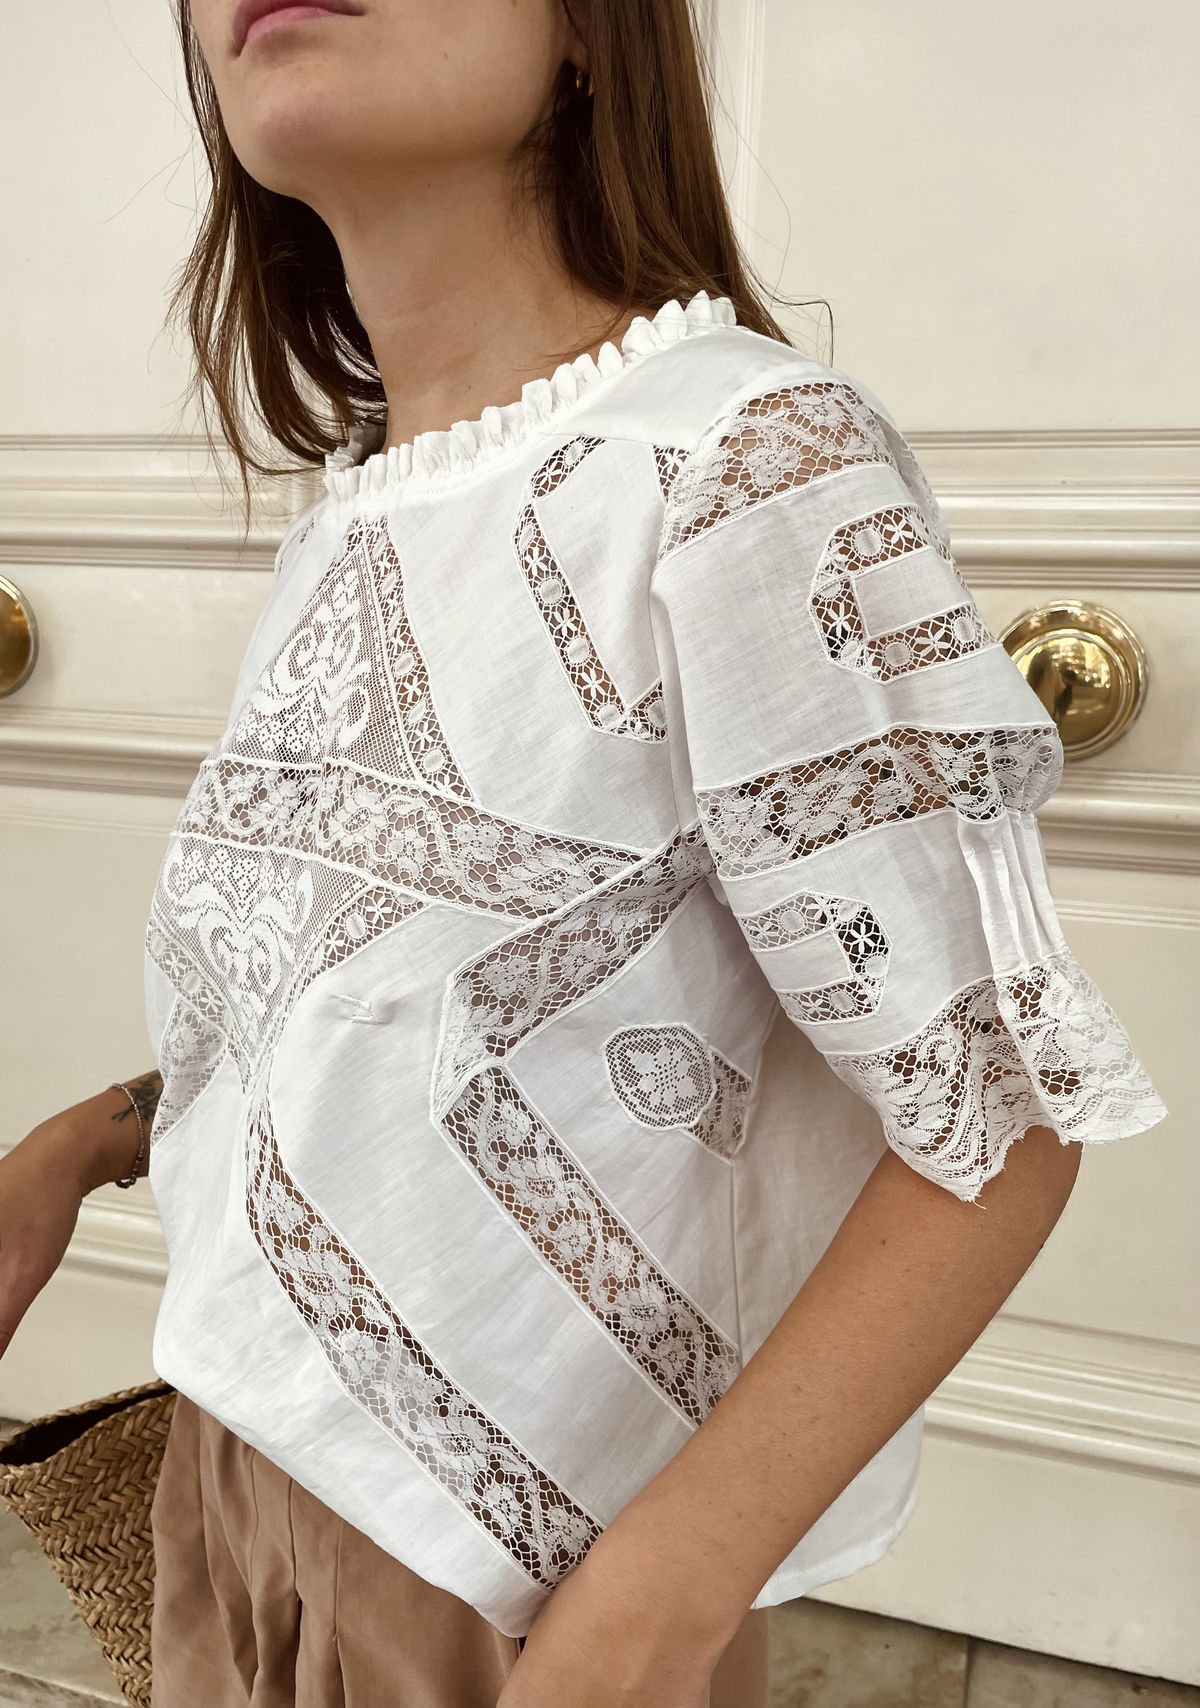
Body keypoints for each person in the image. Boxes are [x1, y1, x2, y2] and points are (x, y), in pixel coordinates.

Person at [0, 2, 1168, 1705]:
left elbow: (997, 1110)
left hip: (514, 1595)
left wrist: (661, 1600)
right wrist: (86, 1141)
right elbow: (370, 994)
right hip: (233, 1483)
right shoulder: (362, 508)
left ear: (591, 30)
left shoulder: (743, 466)